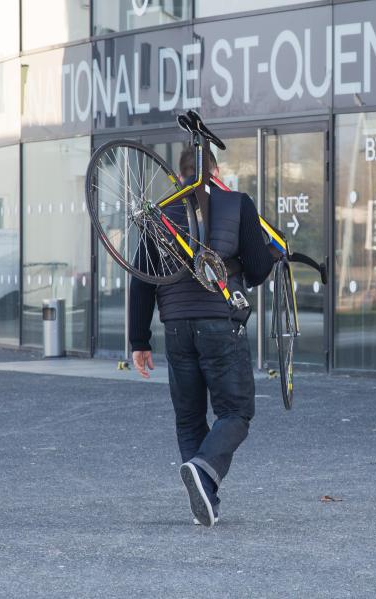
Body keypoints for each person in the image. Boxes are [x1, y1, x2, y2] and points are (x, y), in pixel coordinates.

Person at [128, 145, 278, 528]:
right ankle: (203, 467)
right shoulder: (237, 203)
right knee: (237, 412)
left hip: (176, 326)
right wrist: (267, 256)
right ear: (215, 170)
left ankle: (205, 499)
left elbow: (142, 282)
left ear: (177, 176)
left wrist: (139, 341)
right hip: (220, 323)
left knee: (189, 417)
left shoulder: (158, 215)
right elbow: (259, 270)